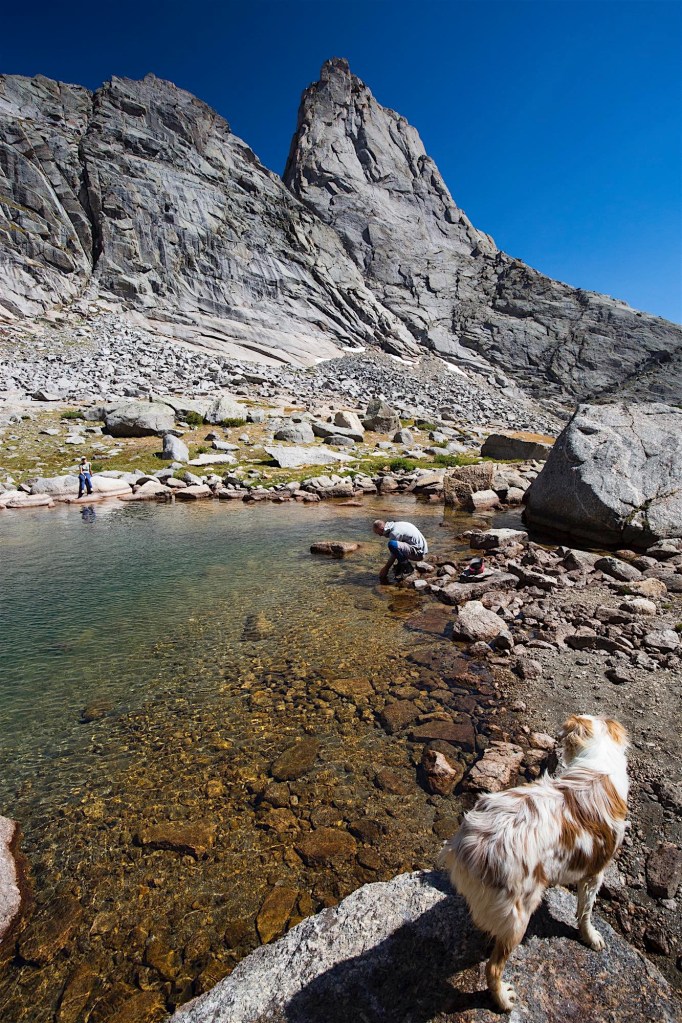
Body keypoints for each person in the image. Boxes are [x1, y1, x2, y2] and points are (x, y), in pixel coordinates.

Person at [373, 519, 428, 583]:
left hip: (419, 554)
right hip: (422, 550)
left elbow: (393, 554)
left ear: (381, 528)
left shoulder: (394, 533)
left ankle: (408, 568)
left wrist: (386, 569)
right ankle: (401, 565)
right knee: (397, 546)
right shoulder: (397, 524)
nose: (380, 535)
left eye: (378, 533)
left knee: (392, 544)